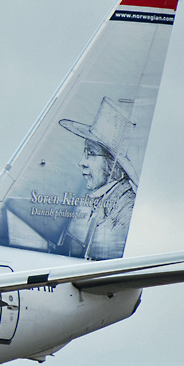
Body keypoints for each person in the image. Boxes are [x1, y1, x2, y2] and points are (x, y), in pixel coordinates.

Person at [55, 96, 138, 260]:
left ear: (112, 163)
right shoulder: (91, 202)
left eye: (91, 153)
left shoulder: (125, 207)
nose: (82, 162)